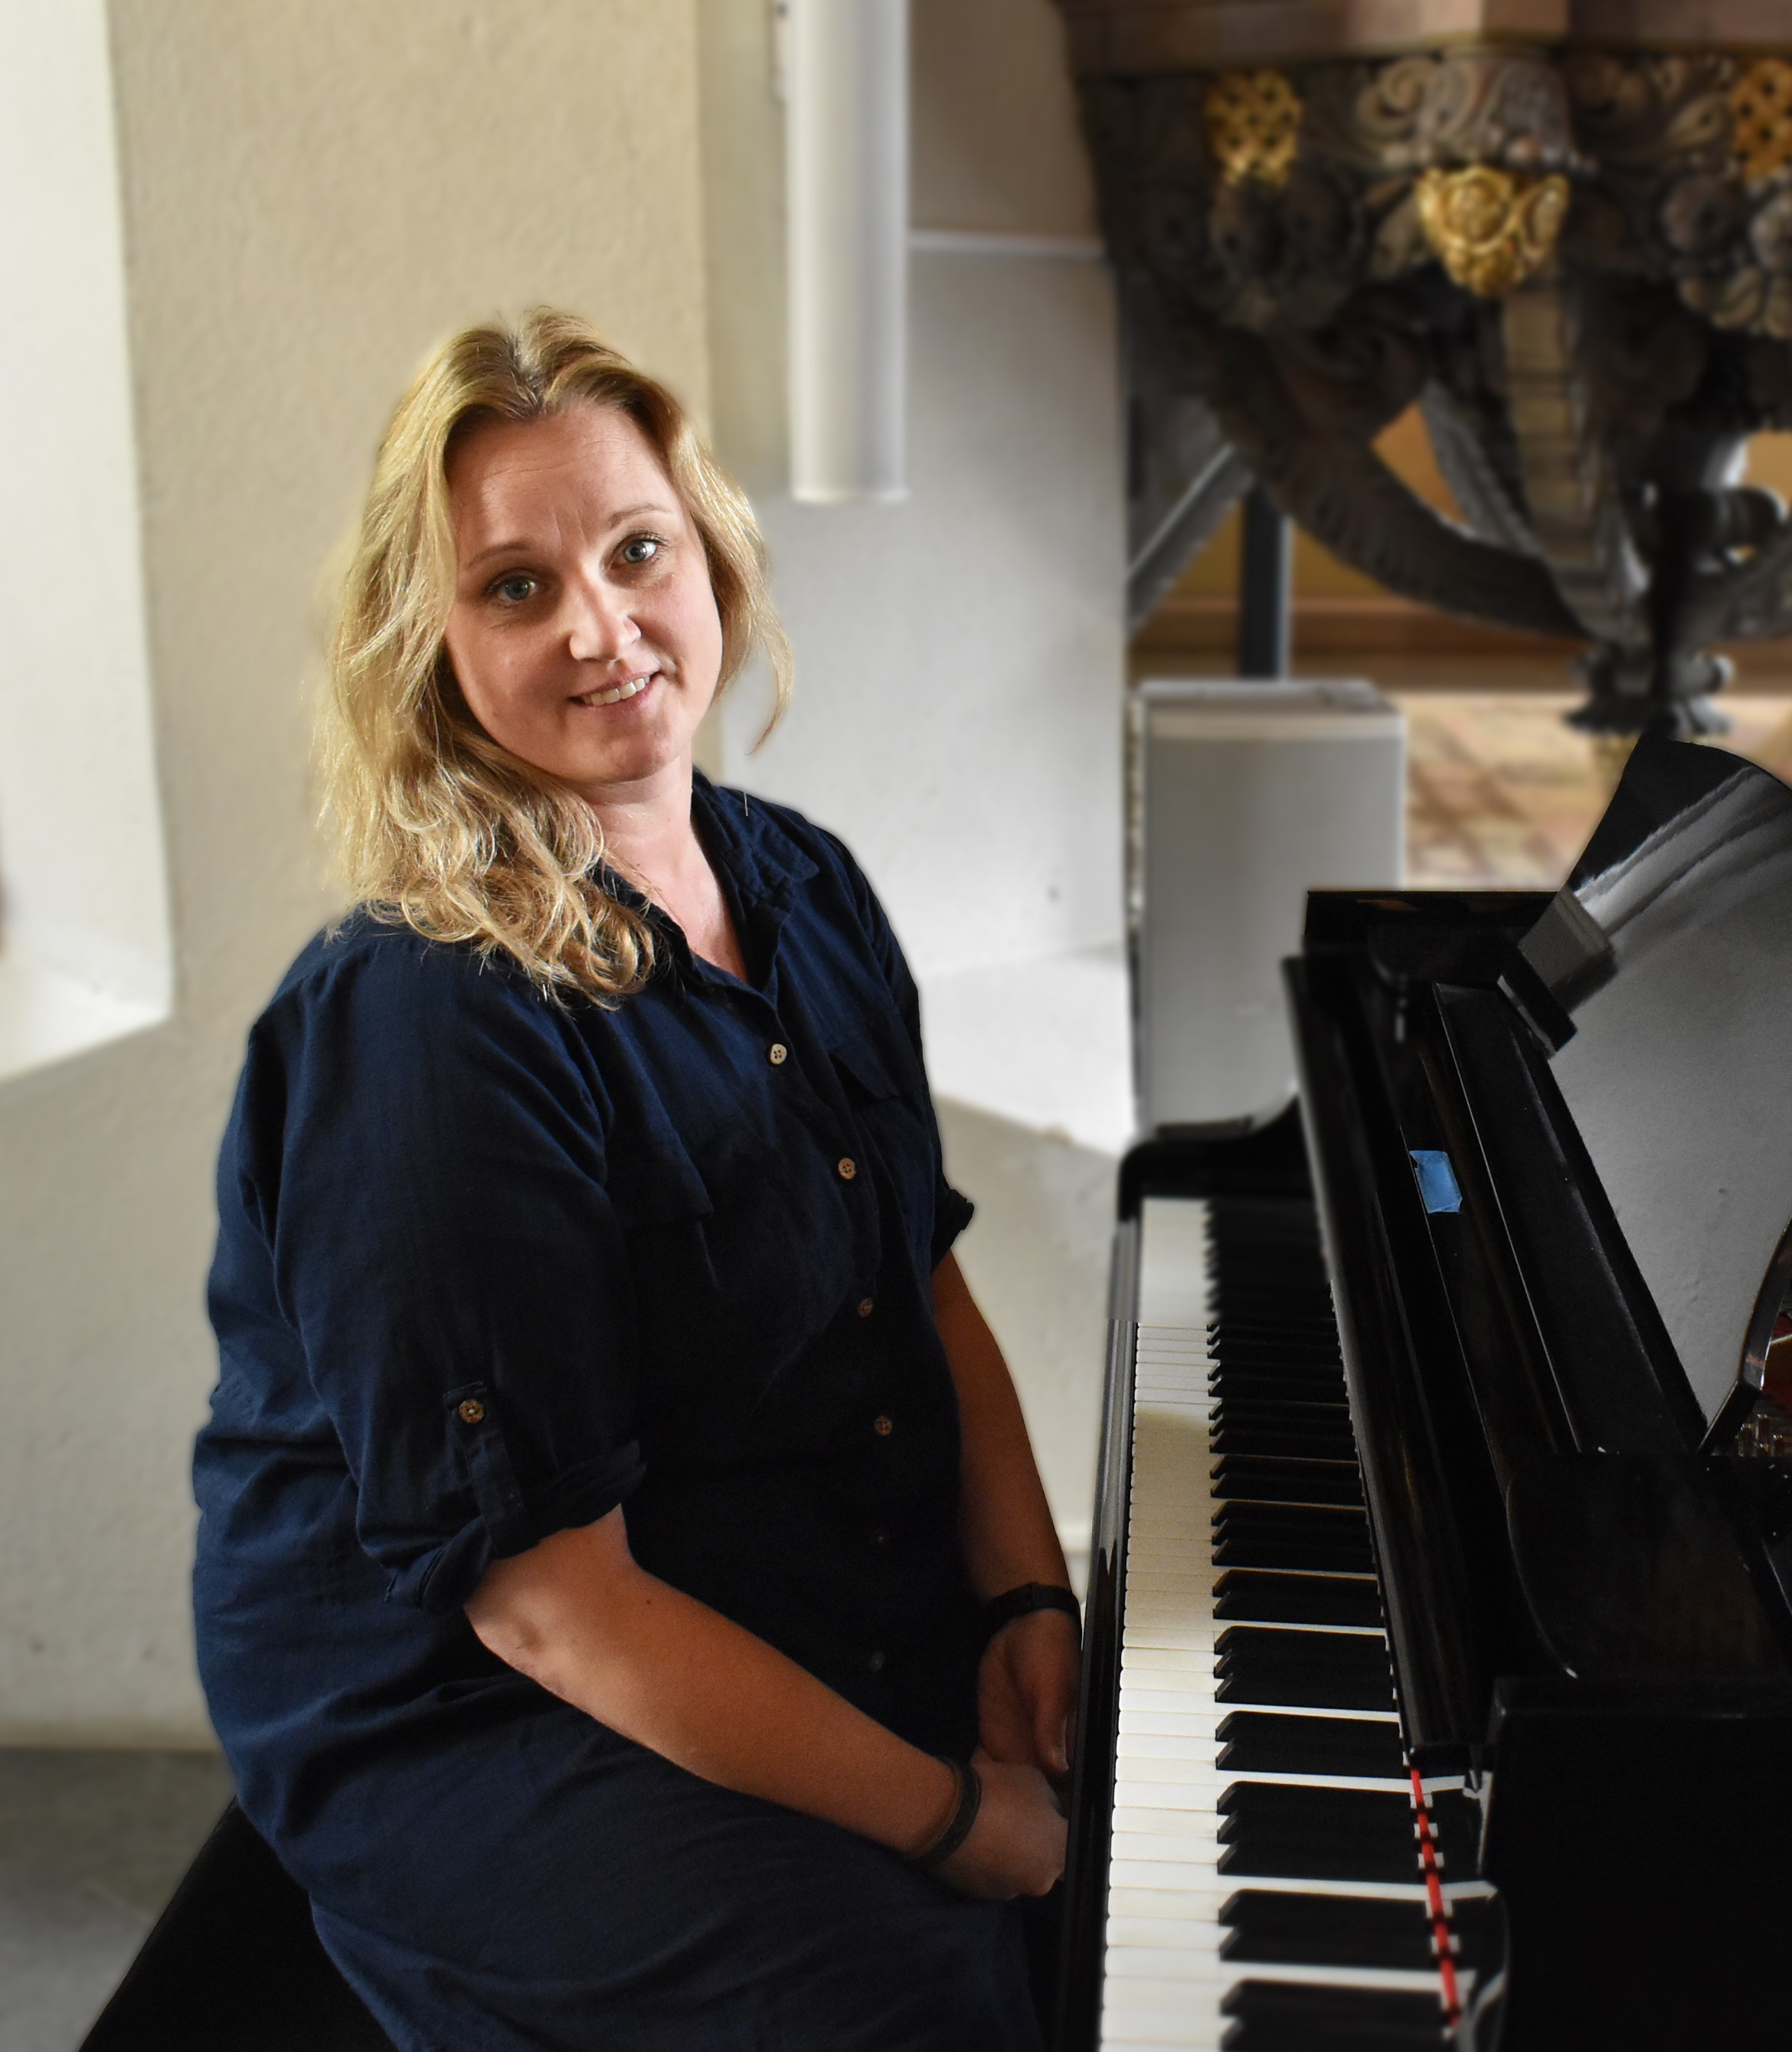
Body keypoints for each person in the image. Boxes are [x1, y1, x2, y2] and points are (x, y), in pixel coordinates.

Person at [194, 309, 1071, 2049]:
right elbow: (544, 1600)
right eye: (515, 587)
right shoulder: (431, 1012)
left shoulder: (800, 881)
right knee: (922, 1981)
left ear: (710, 558)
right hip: (469, 1693)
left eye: (635, 548)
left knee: (1140, 1820)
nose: (604, 627)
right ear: (430, 645)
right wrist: (951, 1816)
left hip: (738, 1569)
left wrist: (1029, 1594)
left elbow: (927, 1281)